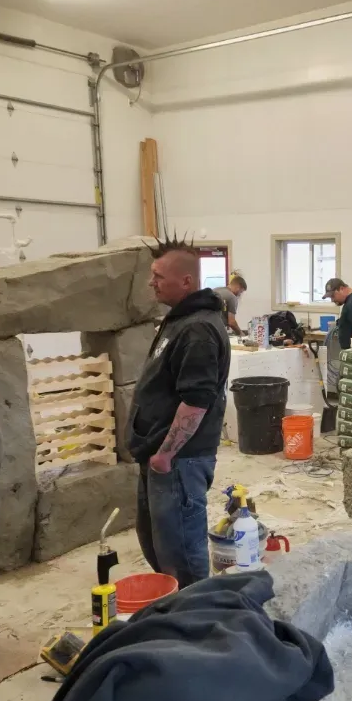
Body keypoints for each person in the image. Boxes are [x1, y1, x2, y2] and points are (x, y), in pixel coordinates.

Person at [129, 239, 230, 588]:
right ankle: (175, 613)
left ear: (186, 282)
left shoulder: (198, 329)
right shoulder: (179, 321)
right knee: (160, 547)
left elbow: (197, 399)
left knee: (182, 556)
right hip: (160, 457)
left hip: (179, 461)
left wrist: (166, 454)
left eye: (158, 276)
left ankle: (196, 621)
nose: (151, 282)